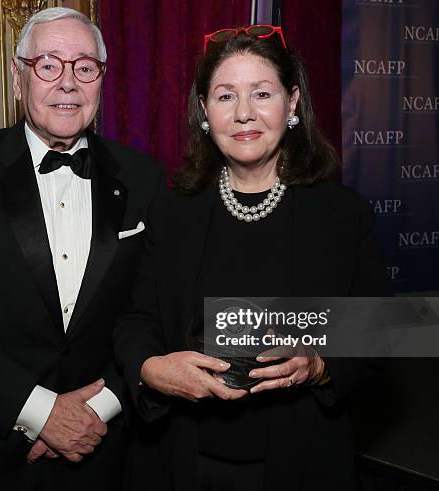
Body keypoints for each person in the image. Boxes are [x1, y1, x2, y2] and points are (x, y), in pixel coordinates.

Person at [114, 25, 388, 491]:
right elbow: (136, 319)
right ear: (204, 110)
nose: (244, 114)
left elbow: (385, 326)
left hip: (304, 460)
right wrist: (149, 369)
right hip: (180, 459)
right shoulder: (171, 209)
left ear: (293, 102)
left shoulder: (343, 214)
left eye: (262, 93)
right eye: (225, 96)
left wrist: (321, 365)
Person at [0, 7, 163, 491]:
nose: (68, 83)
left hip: (103, 452)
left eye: (84, 67)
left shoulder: (144, 178)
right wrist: (44, 414)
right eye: (49, 64)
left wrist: (97, 408)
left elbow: (151, 314)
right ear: (17, 76)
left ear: (101, 80)